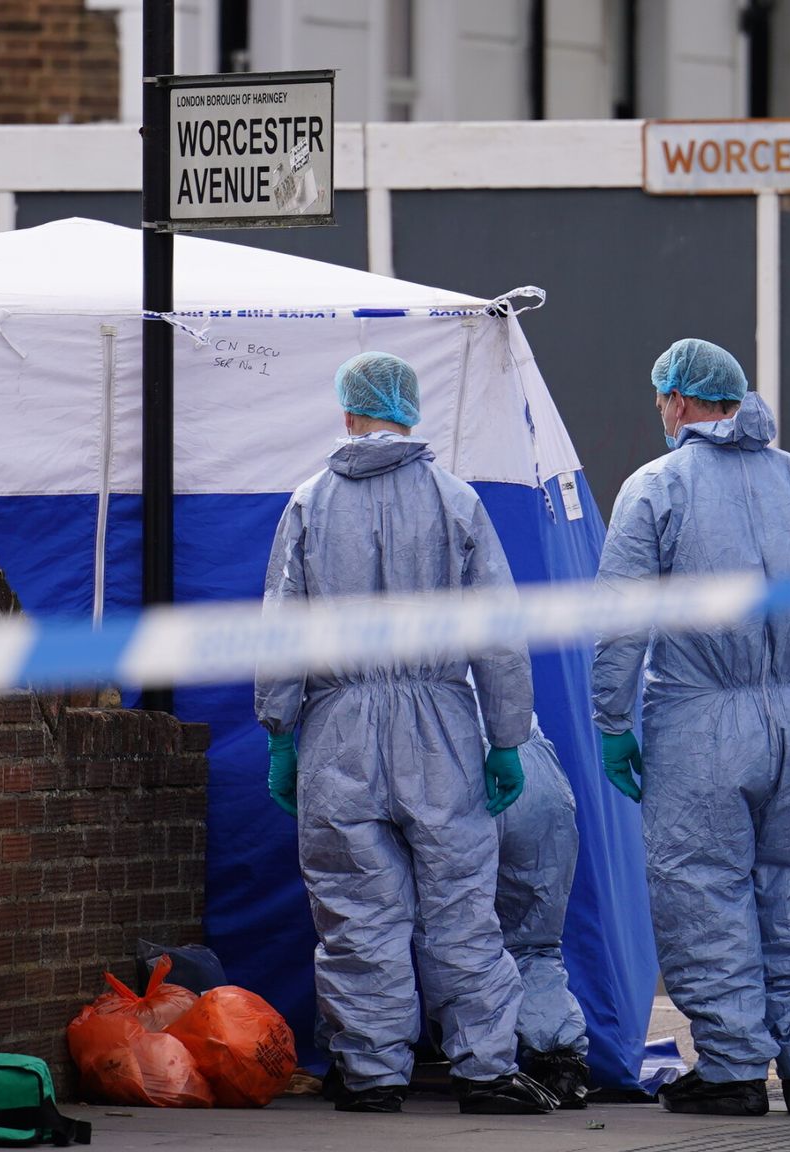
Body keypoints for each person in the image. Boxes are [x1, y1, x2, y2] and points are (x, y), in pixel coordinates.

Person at [255, 351, 556, 1116]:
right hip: (440, 730)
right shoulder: (455, 502)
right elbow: (497, 628)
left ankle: (371, 1073)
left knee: (357, 909)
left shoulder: (308, 504)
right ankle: (484, 1070)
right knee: (460, 901)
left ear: (347, 409)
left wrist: (281, 732)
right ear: (410, 408)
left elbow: (282, 631)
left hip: (339, 731)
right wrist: (507, 736)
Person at [590, 338, 790, 1117]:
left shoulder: (657, 487)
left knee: (703, 890)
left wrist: (612, 722)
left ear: (679, 401)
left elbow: (619, 623)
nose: (660, 413)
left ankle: (733, 1069)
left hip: (698, 716)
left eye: (661, 400)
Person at [493, 717, 591, 1109]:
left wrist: (281, 738)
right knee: (533, 941)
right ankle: (560, 1062)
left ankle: (371, 1070)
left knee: (445, 933)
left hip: (449, 762)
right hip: (533, 761)